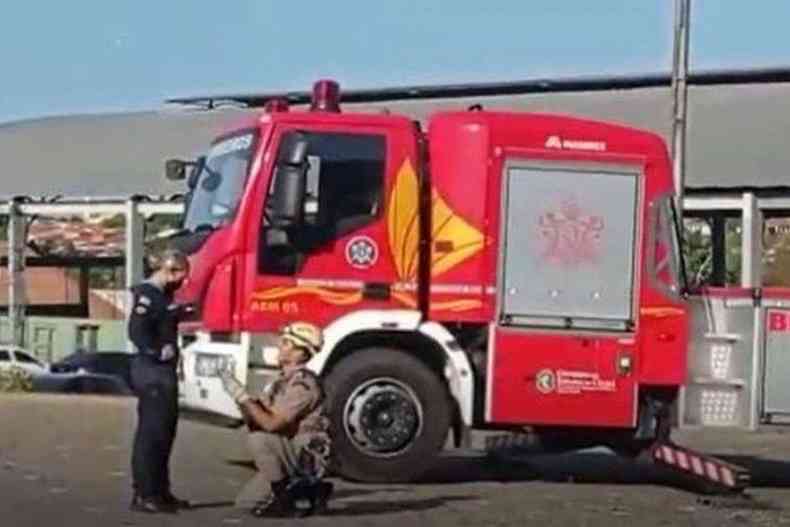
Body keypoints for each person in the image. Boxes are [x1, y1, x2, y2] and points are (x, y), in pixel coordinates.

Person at [220, 321, 333, 518]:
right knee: (246, 503)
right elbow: (256, 420)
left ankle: (287, 498)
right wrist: (241, 400)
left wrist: (242, 396)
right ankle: (312, 492)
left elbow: (271, 424)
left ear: (300, 353)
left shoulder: (303, 386)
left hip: (304, 455)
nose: (280, 345)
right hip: (287, 450)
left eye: (287, 343)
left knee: (259, 439)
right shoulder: (280, 381)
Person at [128, 248, 192, 514]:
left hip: (163, 372)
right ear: (169, 271)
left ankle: (161, 492)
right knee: (151, 435)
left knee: (165, 433)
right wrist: (155, 350)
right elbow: (137, 330)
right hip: (151, 371)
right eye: (181, 276)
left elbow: (166, 317)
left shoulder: (164, 297)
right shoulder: (147, 295)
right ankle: (144, 493)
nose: (182, 282)